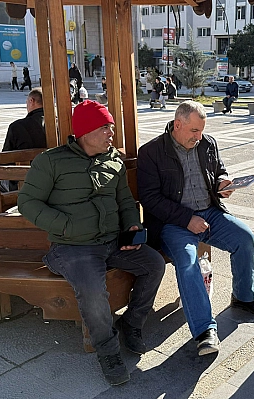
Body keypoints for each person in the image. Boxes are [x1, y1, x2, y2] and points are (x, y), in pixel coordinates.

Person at [18, 100, 165, 386]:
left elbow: (124, 201)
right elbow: (27, 202)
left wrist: (132, 225)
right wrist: (66, 226)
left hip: (112, 243)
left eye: (111, 128)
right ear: (85, 131)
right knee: (94, 293)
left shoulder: (113, 160)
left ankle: (131, 324)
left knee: (154, 264)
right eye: (105, 128)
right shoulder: (51, 161)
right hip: (72, 248)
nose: (111, 134)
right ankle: (108, 351)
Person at [137, 101, 254, 357]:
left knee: (245, 238)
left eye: (201, 131)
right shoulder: (152, 152)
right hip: (174, 223)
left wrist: (223, 182)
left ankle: (244, 297)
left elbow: (218, 169)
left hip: (210, 213)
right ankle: (204, 330)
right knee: (188, 263)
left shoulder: (207, 143)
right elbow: (150, 198)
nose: (199, 137)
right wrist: (187, 219)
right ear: (178, 125)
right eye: (194, 131)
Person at [0, 88, 47, 192]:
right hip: (53, 181)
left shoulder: (17, 126)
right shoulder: (58, 124)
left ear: (32, 101)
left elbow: (5, 159)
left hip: (24, 183)